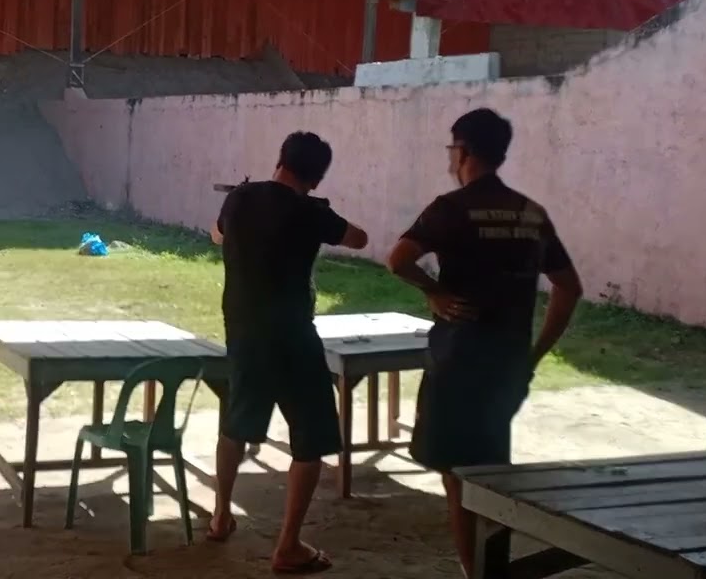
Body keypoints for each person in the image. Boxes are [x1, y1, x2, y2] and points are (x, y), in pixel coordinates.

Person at [384, 108, 583, 577]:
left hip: (458, 362)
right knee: (494, 474)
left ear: (464, 152)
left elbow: (397, 259)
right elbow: (568, 287)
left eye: (453, 150)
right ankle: (490, 568)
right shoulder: (530, 213)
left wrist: (433, 291)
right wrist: (534, 354)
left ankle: (476, 574)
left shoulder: (449, 209)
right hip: (508, 364)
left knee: (459, 481)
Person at [207, 131, 368, 575]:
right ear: (315, 178)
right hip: (293, 336)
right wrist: (322, 213)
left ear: (280, 160)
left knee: (236, 424)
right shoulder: (310, 211)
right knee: (311, 437)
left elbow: (217, 234)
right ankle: (289, 545)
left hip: (242, 330)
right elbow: (360, 239)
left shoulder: (239, 199)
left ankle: (220, 516)